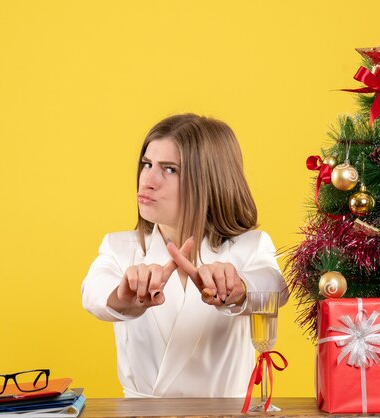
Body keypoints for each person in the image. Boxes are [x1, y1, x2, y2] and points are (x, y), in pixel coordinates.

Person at [81, 113, 288, 398]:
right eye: (147, 164)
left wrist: (238, 288)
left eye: (170, 170)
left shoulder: (249, 247)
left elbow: (274, 285)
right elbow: (93, 292)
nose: (148, 180)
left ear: (210, 180)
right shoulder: (118, 248)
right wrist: (123, 295)